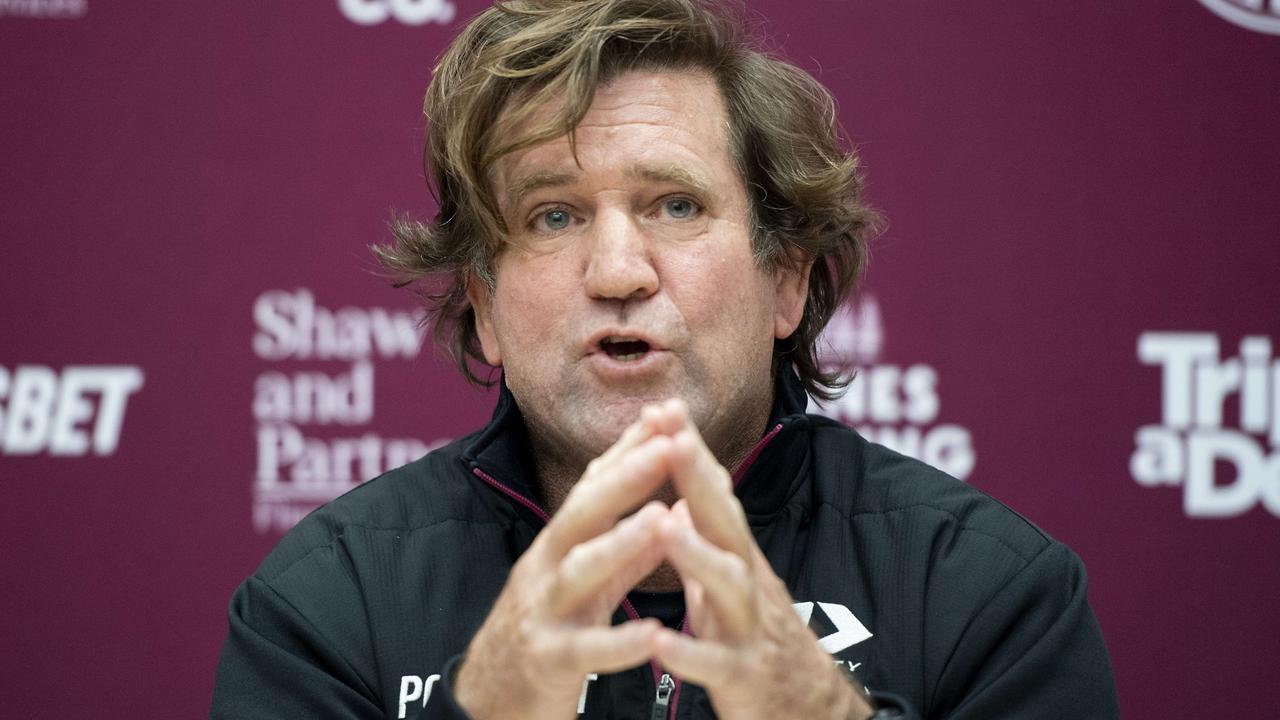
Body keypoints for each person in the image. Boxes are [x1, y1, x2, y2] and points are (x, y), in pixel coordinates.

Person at [211, 0, 1120, 718]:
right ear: (484, 309)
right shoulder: (329, 604)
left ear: (785, 283)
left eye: (675, 205)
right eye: (552, 216)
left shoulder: (991, 597)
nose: (616, 271)